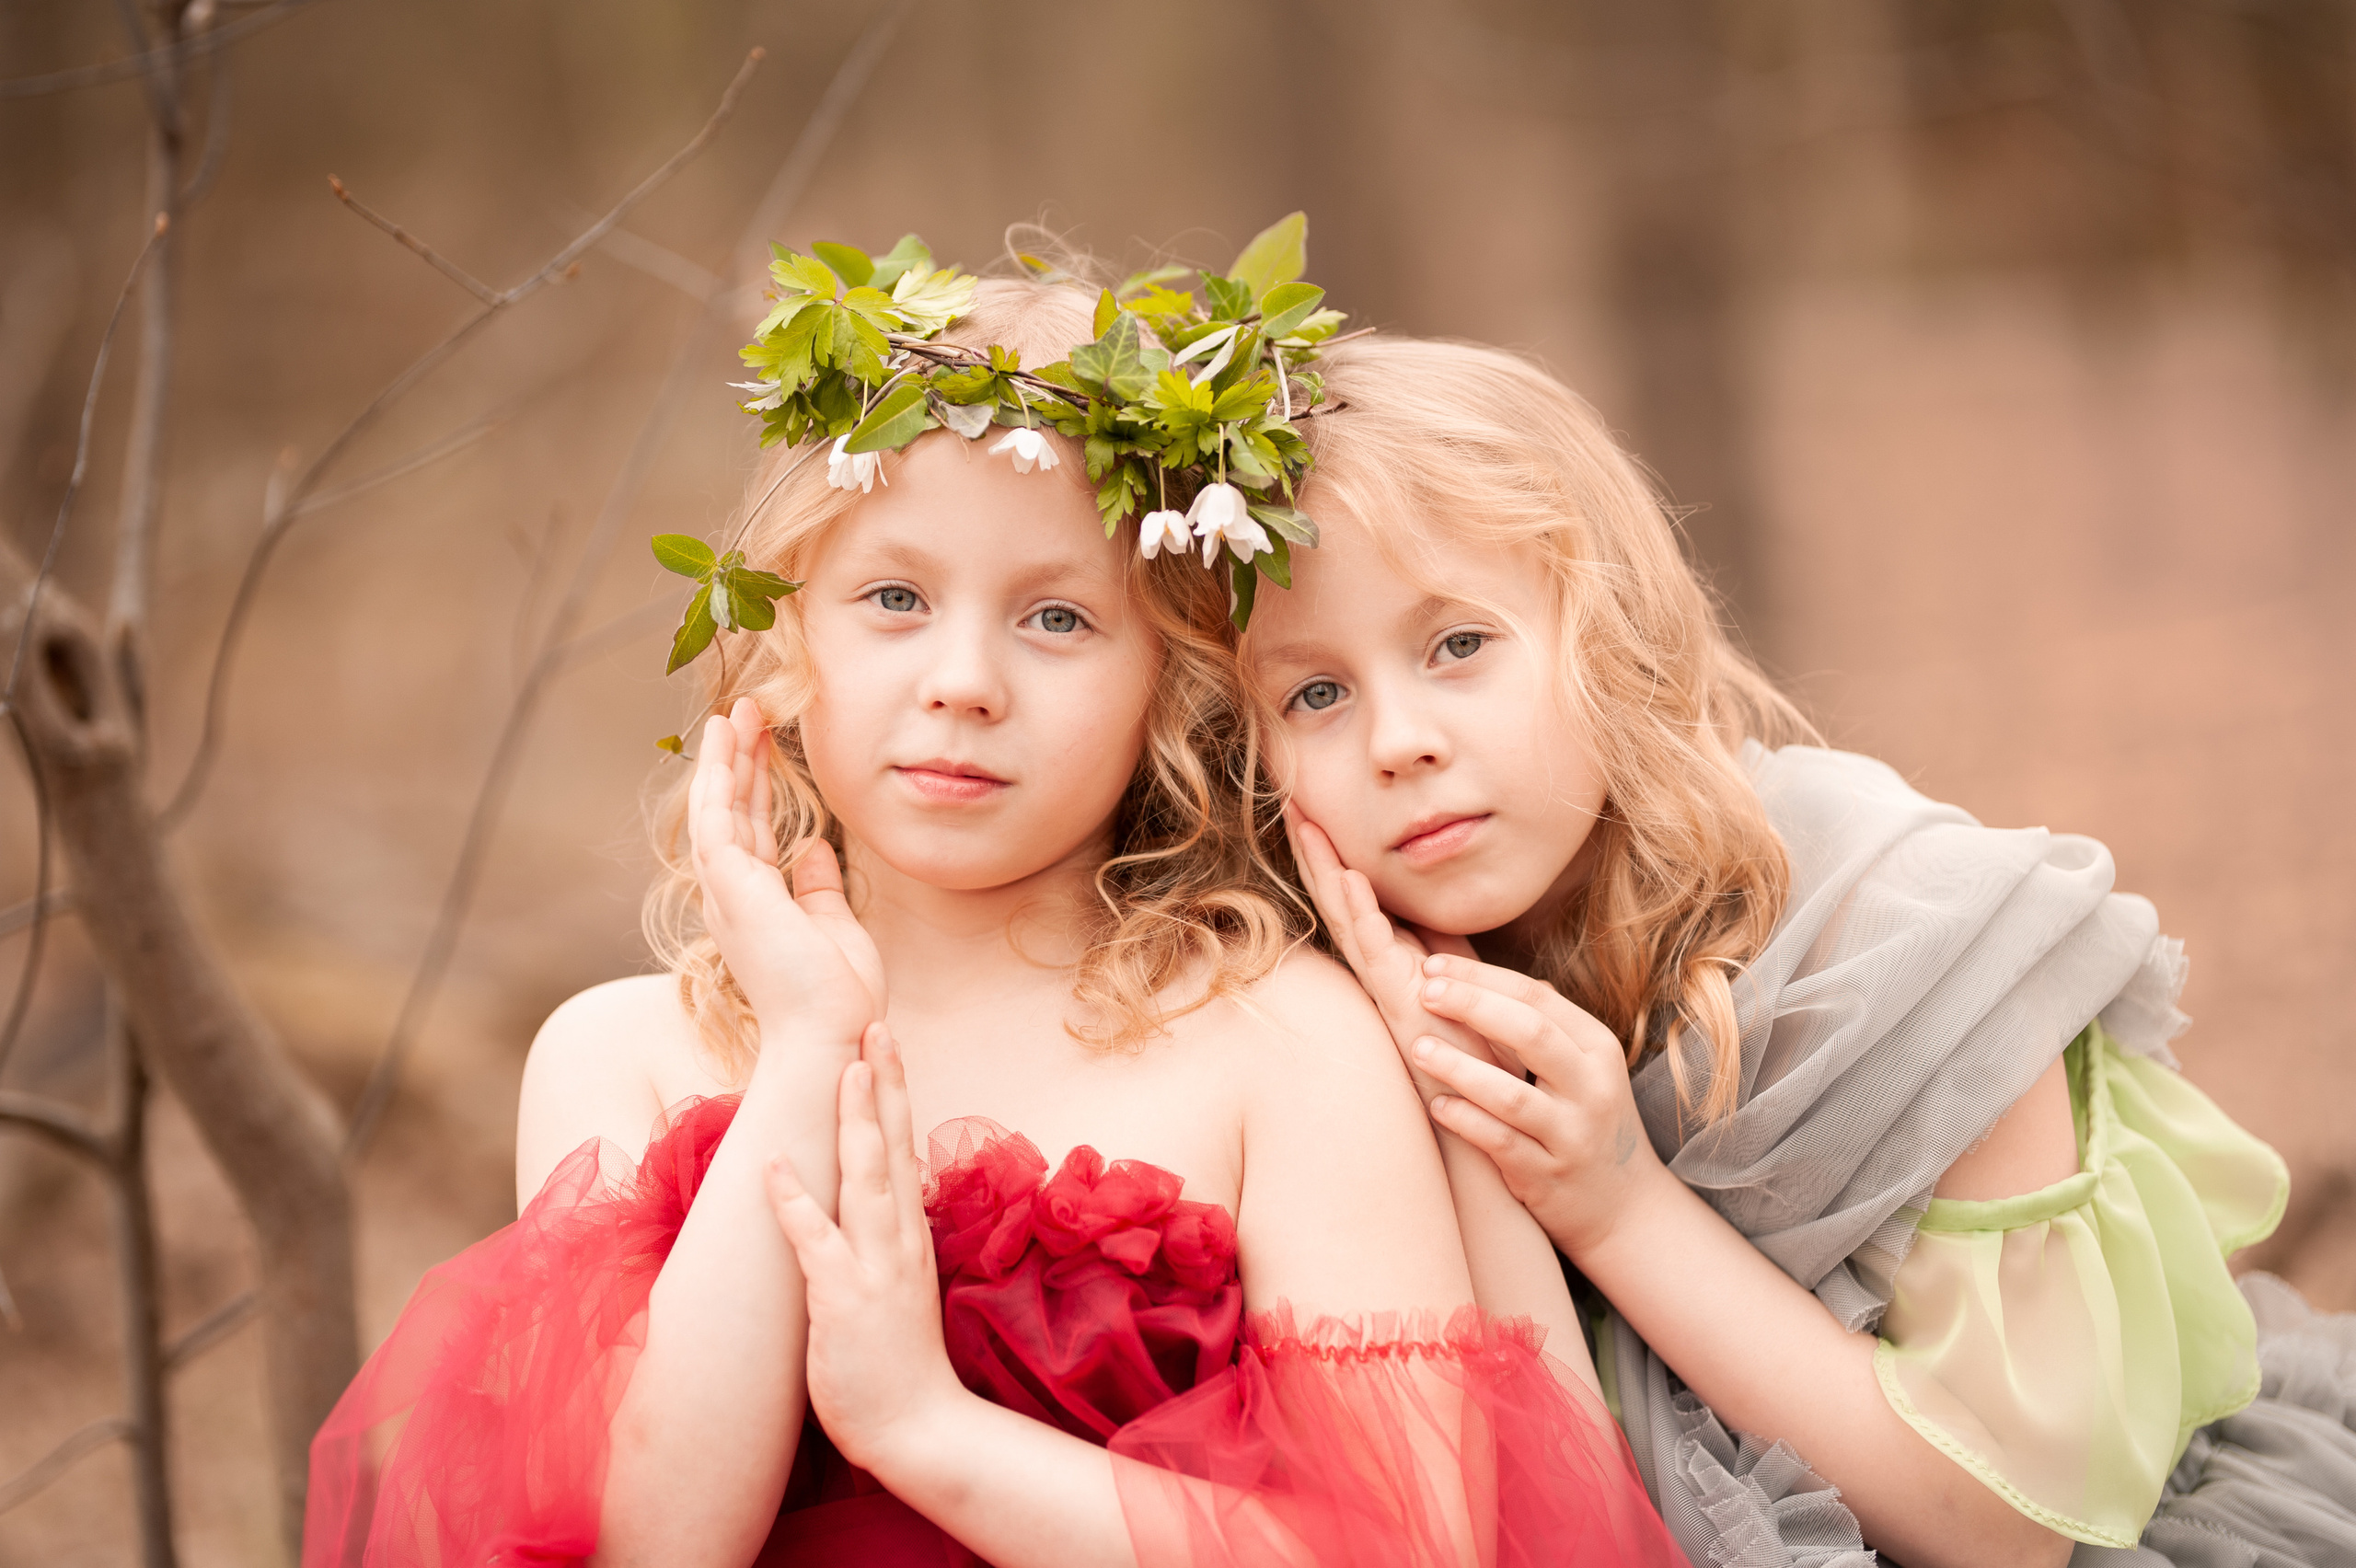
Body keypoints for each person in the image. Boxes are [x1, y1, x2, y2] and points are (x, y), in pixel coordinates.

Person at [303, 267, 1685, 1568]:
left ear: (1172, 685)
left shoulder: (1281, 1047)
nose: (964, 679)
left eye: (1058, 619)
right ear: (787, 644)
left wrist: (929, 1434)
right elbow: (654, 1540)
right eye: (895, 598)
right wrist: (805, 1049)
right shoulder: (627, 1055)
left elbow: (1407, 1545)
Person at [1241, 333, 2356, 1568]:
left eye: (1459, 644)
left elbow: (2003, 1528)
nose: (1399, 740)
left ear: (1611, 631)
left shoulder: (1898, 937)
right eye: (1314, 695)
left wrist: (1612, 1202)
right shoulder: (1317, 1005)